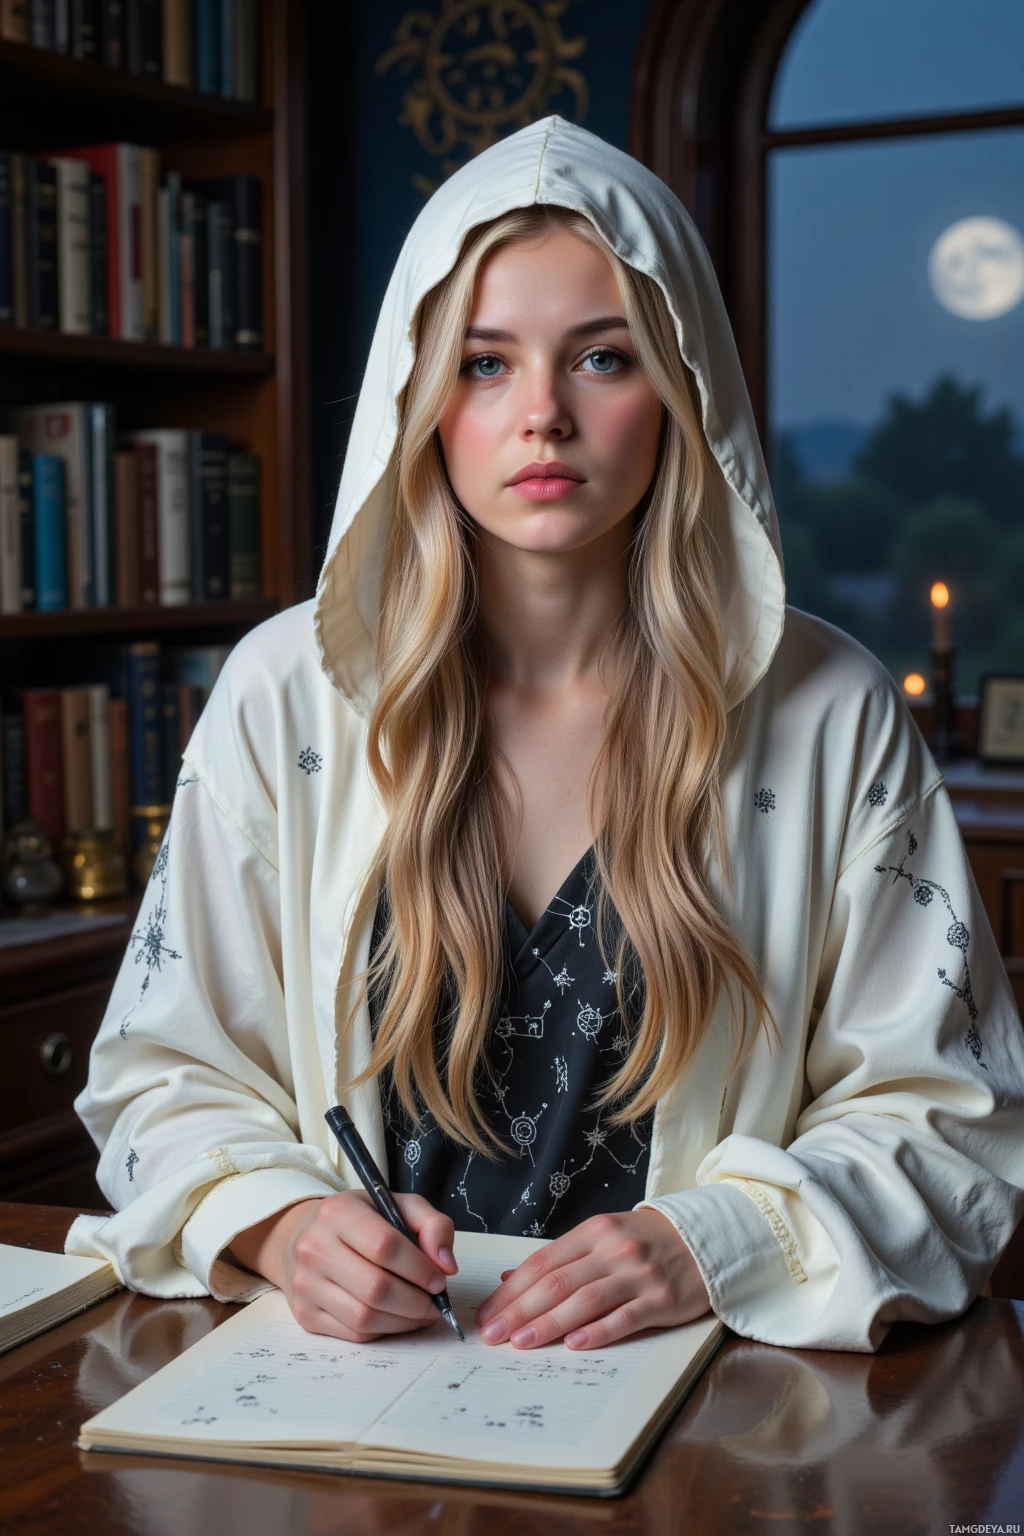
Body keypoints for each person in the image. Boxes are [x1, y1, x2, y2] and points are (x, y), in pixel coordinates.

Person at [69, 116, 1024, 1354]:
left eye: (602, 358)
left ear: (683, 389)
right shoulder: (281, 697)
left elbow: (953, 1114)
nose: (542, 418)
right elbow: (163, 1074)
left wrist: (712, 1242)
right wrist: (289, 1225)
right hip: (353, 1399)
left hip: (716, 1404)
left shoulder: (829, 710)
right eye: (482, 363)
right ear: (419, 394)